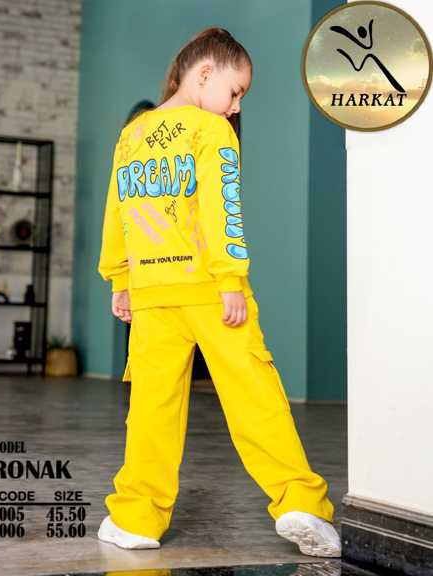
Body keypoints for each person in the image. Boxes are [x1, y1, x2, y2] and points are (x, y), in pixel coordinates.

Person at [96, 26, 341, 557]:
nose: (235, 107)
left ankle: (137, 518)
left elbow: (119, 212)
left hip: (152, 293)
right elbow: (221, 208)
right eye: (235, 91)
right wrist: (229, 278)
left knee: (152, 409)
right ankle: (300, 503)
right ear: (205, 72)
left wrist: (121, 278)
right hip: (210, 289)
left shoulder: (132, 135)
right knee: (254, 395)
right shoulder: (212, 131)